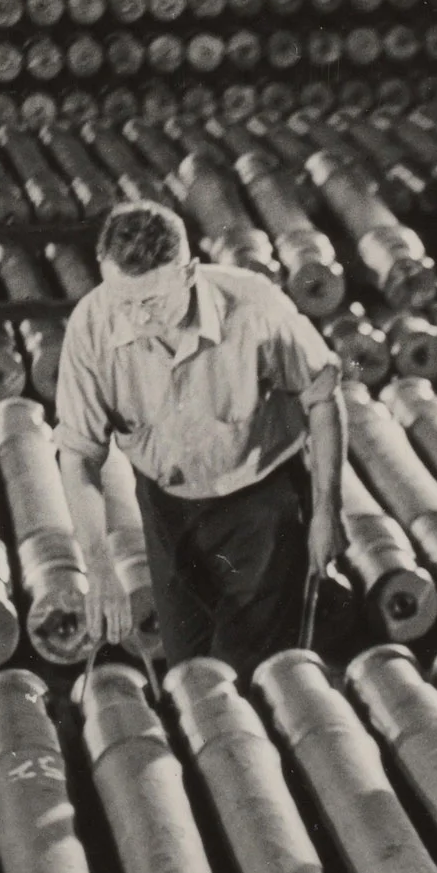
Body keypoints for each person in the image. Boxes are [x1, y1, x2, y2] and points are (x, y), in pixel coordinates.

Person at [53, 200, 346, 680]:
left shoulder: (254, 306)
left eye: (151, 302)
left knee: (247, 679)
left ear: (189, 273)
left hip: (260, 504)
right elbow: (79, 454)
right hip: (167, 506)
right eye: (123, 300)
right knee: (188, 672)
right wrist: (100, 566)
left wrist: (327, 509)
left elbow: (323, 398)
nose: (136, 317)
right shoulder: (94, 322)